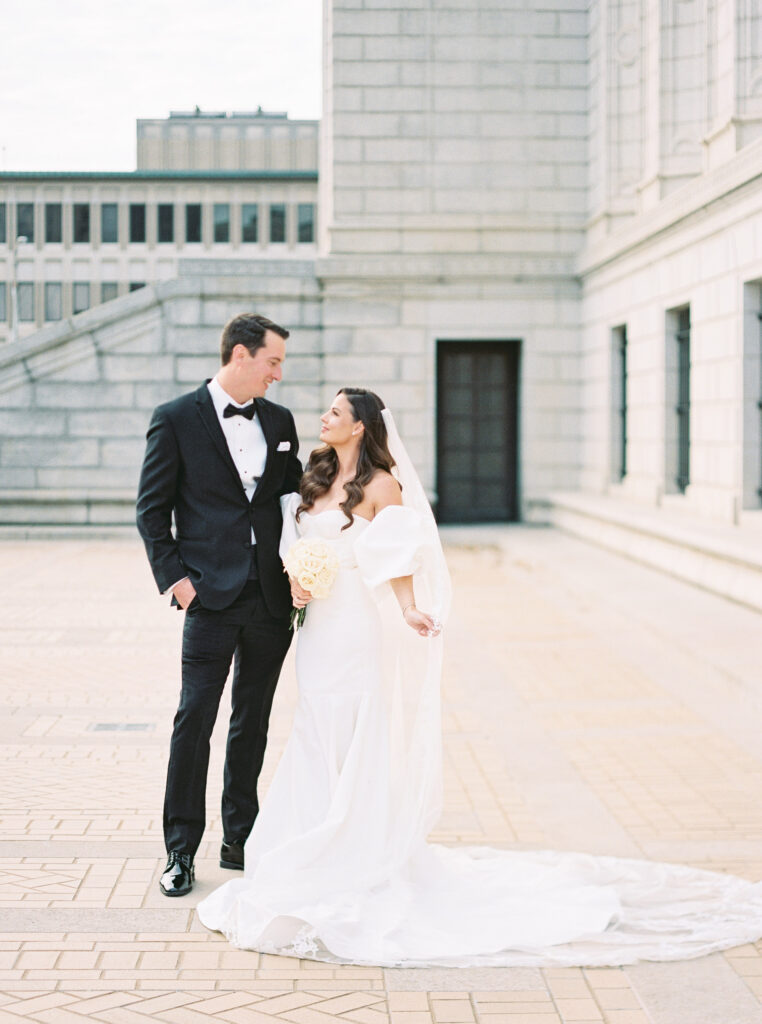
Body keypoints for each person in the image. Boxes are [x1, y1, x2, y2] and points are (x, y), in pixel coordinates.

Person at [197, 387, 762, 966]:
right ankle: (309, 844)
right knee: (316, 728)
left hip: (356, 630)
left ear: (361, 427)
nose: (324, 417)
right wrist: (297, 580)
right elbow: (294, 543)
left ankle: (354, 850)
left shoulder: (384, 485)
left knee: (357, 729)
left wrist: (410, 606)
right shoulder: (312, 477)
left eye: (336, 412)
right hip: (317, 629)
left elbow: (394, 556)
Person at [136, 313, 302, 897]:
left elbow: (293, 499)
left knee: (252, 720)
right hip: (208, 596)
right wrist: (177, 581)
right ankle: (180, 849)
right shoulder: (177, 418)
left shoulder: (280, 421)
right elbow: (151, 511)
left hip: (270, 599)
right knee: (194, 719)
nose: (278, 374)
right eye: (273, 361)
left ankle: (241, 837)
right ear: (240, 354)